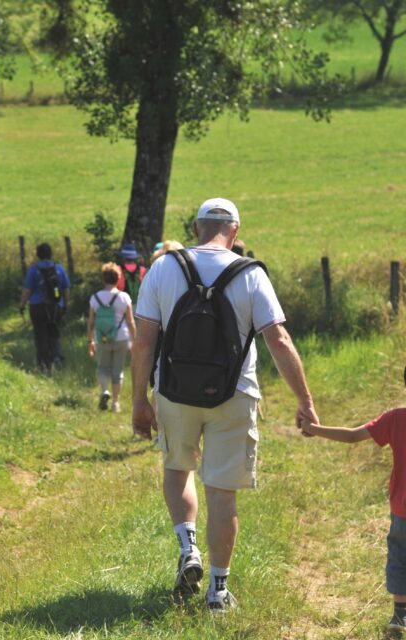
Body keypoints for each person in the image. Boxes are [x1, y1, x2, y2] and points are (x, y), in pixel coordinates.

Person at [131, 196, 318, 611]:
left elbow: (143, 340)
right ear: (235, 231)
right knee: (222, 493)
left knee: (178, 468)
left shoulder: (164, 267)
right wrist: (304, 400)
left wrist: (139, 401)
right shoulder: (251, 274)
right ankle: (218, 592)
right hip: (234, 394)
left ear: (196, 228)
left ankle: (188, 547)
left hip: (174, 392)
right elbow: (279, 340)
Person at [301, 384, 406, 634]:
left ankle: (400, 616)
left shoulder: (396, 418)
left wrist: (312, 428)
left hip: (402, 510)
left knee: (400, 558)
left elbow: (351, 436)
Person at [87, 262, 136, 413]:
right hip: (121, 337)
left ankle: (104, 391)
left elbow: (91, 323)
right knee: (117, 371)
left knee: (102, 368)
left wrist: (90, 341)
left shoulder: (95, 298)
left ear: (103, 278)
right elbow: (130, 321)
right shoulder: (124, 297)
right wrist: (134, 341)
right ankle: (115, 403)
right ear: (118, 278)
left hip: (102, 338)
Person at [19, 243, 71, 373]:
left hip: (37, 307)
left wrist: (22, 305)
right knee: (54, 332)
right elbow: (66, 289)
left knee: (40, 334)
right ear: (50, 254)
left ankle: (44, 365)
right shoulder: (59, 269)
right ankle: (56, 358)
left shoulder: (33, 270)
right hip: (56, 306)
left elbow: (27, 291)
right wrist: (65, 305)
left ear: (38, 255)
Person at [117, 242, 147, 307]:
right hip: (139, 305)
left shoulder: (118, 269)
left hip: (123, 304)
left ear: (123, 257)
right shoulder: (142, 270)